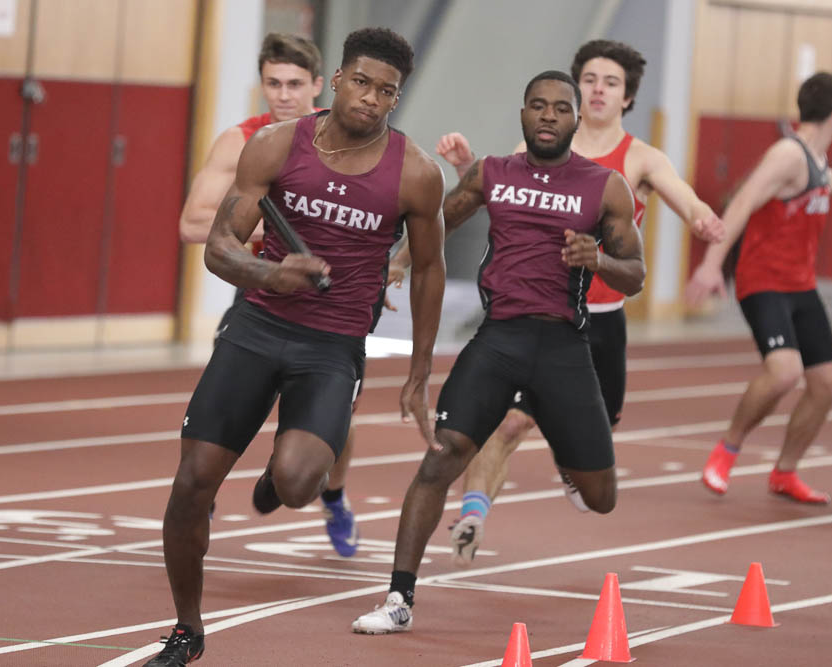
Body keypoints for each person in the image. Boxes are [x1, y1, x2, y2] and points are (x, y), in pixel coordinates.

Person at [146, 27, 445, 665]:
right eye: (361, 82)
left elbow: (430, 270)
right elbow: (220, 246)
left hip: (332, 345)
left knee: (300, 481)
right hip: (256, 328)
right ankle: (187, 630)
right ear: (336, 81)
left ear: (397, 99)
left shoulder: (416, 173)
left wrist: (419, 369)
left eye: (385, 91)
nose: (370, 98)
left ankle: (281, 470)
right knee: (192, 483)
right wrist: (267, 274)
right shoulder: (276, 146)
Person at [351, 70, 644, 634]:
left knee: (600, 497)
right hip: (499, 340)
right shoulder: (493, 173)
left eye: (561, 107)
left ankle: (568, 457)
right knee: (439, 460)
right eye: (538, 106)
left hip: (563, 348)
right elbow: (436, 222)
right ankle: (398, 598)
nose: (549, 116)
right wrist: (395, 264)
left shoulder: (605, 186)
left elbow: (635, 275)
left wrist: (599, 260)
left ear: (576, 118)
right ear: (523, 115)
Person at [434, 39, 725, 566]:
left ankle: (572, 458)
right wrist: (465, 170)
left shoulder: (638, 158)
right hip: (529, 317)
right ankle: (471, 515)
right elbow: (498, 199)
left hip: (600, 325)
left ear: (627, 98)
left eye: (610, 83)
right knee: (510, 422)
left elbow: (681, 195)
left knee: (594, 444)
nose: (598, 90)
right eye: (589, 79)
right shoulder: (542, 145)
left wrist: (703, 220)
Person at [177, 33, 361, 558]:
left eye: (294, 85)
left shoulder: (342, 134)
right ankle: (202, 495)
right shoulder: (242, 141)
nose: (283, 95)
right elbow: (192, 222)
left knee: (337, 413)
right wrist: (272, 241)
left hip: (332, 300)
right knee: (227, 403)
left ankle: (335, 496)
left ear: (319, 86)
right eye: (273, 84)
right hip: (261, 294)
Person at [687, 71, 832, 504]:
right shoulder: (787, 155)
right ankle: (727, 450)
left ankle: (785, 472)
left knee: (827, 384)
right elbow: (741, 202)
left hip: (801, 287)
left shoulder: (814, 160)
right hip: (764, 284)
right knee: (785, 372)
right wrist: (712, 265)